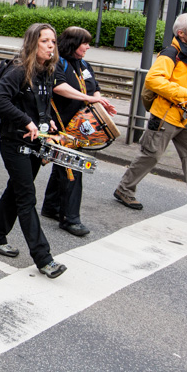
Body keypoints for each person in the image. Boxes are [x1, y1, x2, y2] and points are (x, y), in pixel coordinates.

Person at [113, 13, 187, 224]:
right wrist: (185, 93)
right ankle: (124, 189)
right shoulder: (170, 53)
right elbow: (153, 80)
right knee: (150, 156)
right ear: (181, 33)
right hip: (165, 116)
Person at [0, 23, 67, 279]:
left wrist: (46, 120)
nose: (51, 46)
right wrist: (26, 121)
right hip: (14, 143)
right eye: (45, 41)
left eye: (53, 42)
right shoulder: (18, 70)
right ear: (32, 43)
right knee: (27, 198)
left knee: (16, 191)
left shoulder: (47, 70)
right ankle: (44, 258)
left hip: (34, 142)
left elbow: (40, 104)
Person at [41, 27, 116, 237]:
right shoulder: (57, 63)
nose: (88, 47)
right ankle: (70, 219)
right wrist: (89, 98)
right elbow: (59, 87)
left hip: (79, 128)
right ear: (73, 43)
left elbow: (94, 87)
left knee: (63, 165)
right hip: (61, 126)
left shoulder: (84, 64)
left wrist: (100, 103)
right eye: (85, 43)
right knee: (72, 169)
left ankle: (52, 206)